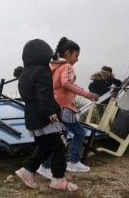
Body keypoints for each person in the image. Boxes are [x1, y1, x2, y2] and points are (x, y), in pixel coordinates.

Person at [14, 39, 78, 191]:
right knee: (60, 146)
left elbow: (28, 95)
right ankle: (58, 179)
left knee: (44, 147)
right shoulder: (42, 71)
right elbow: (43, 94)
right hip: (46, 116)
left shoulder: (25, 73)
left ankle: (27, 170)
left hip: (32, 116)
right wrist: (50, 111)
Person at [38, 37, 98, 177]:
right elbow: (66, 83)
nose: (77, 59)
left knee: (61, 138)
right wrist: (87, 94)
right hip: (65, 107)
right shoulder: (67, 67)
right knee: (79, 133)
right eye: (76, 55)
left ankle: (45, 165)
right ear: (68, 53)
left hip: (55, 106)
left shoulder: (53, 66)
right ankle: (73, 162)